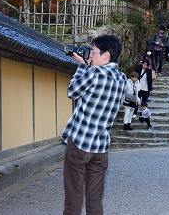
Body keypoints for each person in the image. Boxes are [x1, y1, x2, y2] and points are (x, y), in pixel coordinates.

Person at [61, 35, 126, 215]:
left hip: (80, 143)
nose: (90, 55)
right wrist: (88, 65)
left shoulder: (93, 73)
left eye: (94, 51)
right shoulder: (121, 79)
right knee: (94, 200)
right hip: (101, 147)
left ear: (106, 55)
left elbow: (72, 91)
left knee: (73, 199)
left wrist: (82, 66)